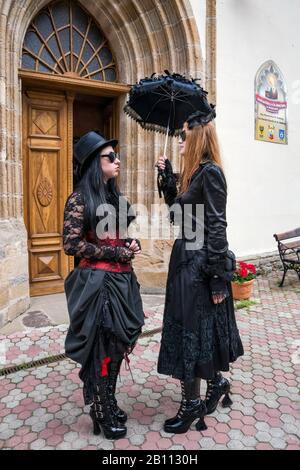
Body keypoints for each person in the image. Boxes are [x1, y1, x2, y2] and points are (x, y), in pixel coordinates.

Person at [156, 107, 244, 434]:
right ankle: (217, 383)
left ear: (196, 136)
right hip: (185, 257)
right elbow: (180, 217)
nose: (179, 140)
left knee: (191, 332)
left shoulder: (211, 173)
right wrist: (167, 179)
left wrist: (219, 277)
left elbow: (218, 225)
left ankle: (191, 405)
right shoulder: (192, 175)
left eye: (183, 135)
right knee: (189, 328)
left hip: (201, 262)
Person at [63, 131, 144, 440]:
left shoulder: (113, 197)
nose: (117, 160)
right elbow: (71, 244)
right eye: (111, 157)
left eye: (116, 155)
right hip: (97, 285)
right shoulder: (80, 198)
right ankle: (100, 408)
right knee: (103, 348)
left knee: (117, 344)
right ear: (95, 164)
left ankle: (107, 400)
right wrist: (114, 251)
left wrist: (130, 243)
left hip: (122, 282)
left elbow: (121, 237)